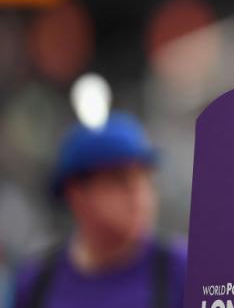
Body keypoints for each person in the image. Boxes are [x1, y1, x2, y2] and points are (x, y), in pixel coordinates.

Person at [9, 112, 186, 308]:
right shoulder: (37, 283)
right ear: (77, 195)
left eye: (144, 179)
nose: (139, 196)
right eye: (120, 181)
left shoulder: (182, 270)